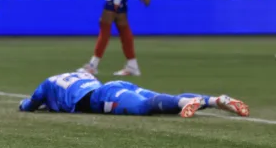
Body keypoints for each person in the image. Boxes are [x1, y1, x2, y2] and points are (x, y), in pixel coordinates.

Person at [19, 72, 250, 118]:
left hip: (99, 98)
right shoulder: (80, 75)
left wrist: (24, 106)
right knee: (162, 97)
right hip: (114, 84)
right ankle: (214, 100)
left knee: (143, 107)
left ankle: (188, 102)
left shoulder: (48, 83)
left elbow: (30, 104)